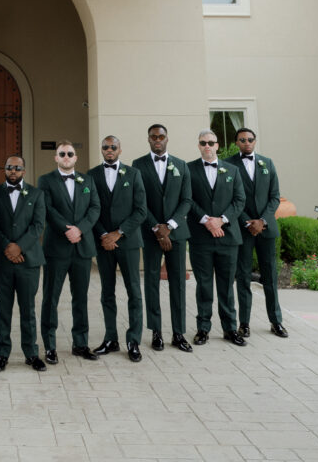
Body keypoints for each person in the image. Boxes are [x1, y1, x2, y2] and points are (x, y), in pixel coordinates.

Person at [38, 140, 100, 364]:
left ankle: (80, 343)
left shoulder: (88, 180)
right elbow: (48, 209)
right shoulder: (46, 180)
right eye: (62, 153)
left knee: (80, 298)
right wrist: (68, 230)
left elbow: (95, 207)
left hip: (82, 248)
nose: (66, 157)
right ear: (56, 158)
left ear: (76, 158)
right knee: (50, 298)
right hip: (57, 248)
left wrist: (80, 230)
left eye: (70, 153)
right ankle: (50, 346)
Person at [132, 125, 193, 352]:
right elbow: (139, 201)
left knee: (178, 283)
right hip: (150, 234)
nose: (157, 140)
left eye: (161, 136)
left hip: (177, 233)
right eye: (153, 137)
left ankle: (178, 333)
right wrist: (157, 228)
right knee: (151, 281)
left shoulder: (181, 165)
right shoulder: (138, 165)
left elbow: (186, 200)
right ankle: (156, 331)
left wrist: (170, 226)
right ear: (148, 139)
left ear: (167, 138)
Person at [89, 136, 147, 362]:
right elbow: (92, 209)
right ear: (101, 150)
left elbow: (141, 210)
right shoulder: (92, 175)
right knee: (107, 292)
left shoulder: (133, 174)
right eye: (105, 147)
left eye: (113, 147)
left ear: (120, 149)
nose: (109, 150)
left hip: (129, 242)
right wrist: (104, 234)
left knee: (134, 291)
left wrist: (119, 233)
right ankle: (110, 339)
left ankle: (133, 341)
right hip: (104, 243)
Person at [227, 128, 288, 338]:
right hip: (242, 231)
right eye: (242, 140)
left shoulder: (267, 163)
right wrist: (247, 221)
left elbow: (274, 197)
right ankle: (244, 323)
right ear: (236, 142)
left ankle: (276, 321)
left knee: (270, 276)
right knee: (243, 276)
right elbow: (231, 198)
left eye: (250, 140)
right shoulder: (228, 165)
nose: (246, 143)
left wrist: (262, 221)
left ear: (255, 141)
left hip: (266, 228)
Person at [187, 129, 246, 346]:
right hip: (200, 238)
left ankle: (230, 328)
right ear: (199, 145)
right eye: (203, 143)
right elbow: (187, 199)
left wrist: (221, 220)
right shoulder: (188, 169)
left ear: (218, 145)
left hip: (228, 237)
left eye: (211, 142)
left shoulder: (232, 170)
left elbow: (240, 200)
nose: (207, 146)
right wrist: (206, 220)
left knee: (226, 285)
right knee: (203, 285)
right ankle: (203, 328)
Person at [0, 155, 47, 372]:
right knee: (3, 309)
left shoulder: (36, 193)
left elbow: (38, 225)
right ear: (4, 170)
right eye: (9, 168)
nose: (13, 171)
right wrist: (8, 247)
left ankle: (31, 353)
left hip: (29, 261)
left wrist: (19, 247)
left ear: (24, 171)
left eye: (17, 168)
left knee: (28, 308)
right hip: (3, 260)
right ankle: (2, 353)